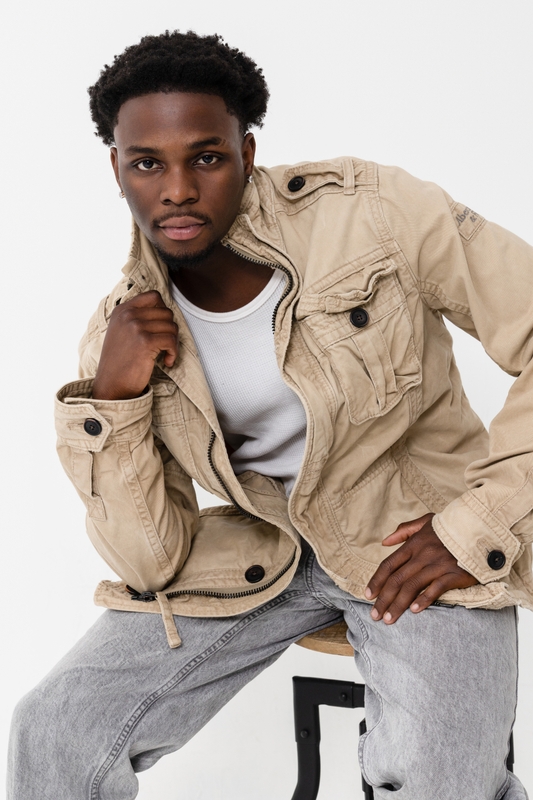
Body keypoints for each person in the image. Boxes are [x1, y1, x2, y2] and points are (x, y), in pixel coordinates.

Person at [7, 30, 532, 800]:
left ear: (246, 154)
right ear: (115, 169)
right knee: (52, 729)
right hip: (263, 552)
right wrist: (112, 401)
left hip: (411, 535)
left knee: (434, 777)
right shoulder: (118, 333)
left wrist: (476, 526)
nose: (176, 189)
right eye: (146, 163)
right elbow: (149, 564)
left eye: (205, 157)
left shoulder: (372, 214)